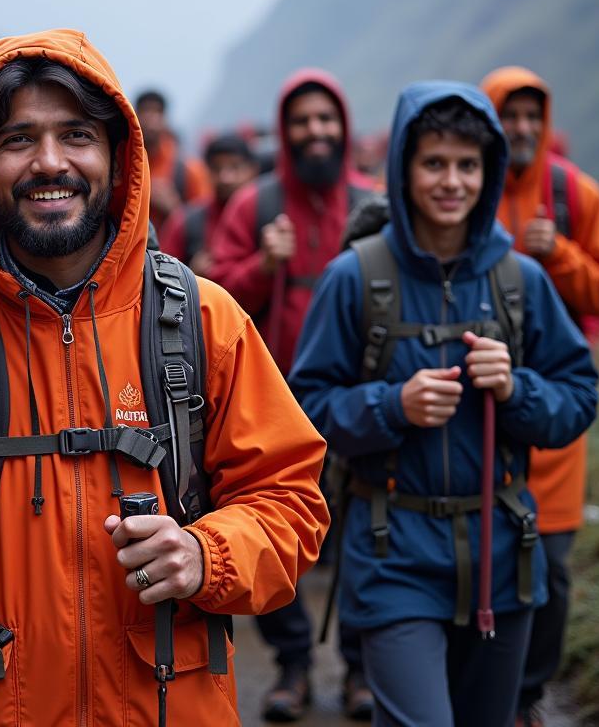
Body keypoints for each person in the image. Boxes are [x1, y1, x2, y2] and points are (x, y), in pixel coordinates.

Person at [0, 28, 330, 727]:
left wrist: (207, 552)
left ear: (116, 157)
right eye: (17, 140)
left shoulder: (202, 320)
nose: (49, 163)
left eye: (75, 135)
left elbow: (292, 502)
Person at [290, 82, 598, 727]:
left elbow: (577, 399)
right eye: (434, 163)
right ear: (403, 168)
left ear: (487, 173)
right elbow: (303, 413)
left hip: (503, 558)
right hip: (393, 551)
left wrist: (517, 389)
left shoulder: (521, 280)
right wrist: (390, 405)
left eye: (467, 164)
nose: (451, 181)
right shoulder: (356, 277)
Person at [209, 69, 376, 721]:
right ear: (285, 130)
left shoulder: (371, 202)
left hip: (360, 396)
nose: (316, 132)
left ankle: (363, 668)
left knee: (368, 533)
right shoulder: (254, 205)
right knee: (276, 534)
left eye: (326, 120)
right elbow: (214, 294)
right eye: (303, 121)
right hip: (272, 397)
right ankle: (294, 666)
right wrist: (265, 265)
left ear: (343, 126)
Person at [479, 67, 599, 727]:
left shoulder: (574, 193)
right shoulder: (466, 189)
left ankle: (528, 693)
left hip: (551, 408)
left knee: (551, 570)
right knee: (486, 557)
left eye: (534, 115)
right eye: (511, 115)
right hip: (478, 409)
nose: (523, 128)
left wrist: (557, 253)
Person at [159, 133, 259, 275]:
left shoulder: (265, 214)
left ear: (253, 170)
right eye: (217, 169)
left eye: (235, 167)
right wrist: (189, 276)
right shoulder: (185, 221)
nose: (225, 178)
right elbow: (162, 274)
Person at [135, 88, 210, 231]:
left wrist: (174, 209)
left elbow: (205, 223)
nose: (151, 120)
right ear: (135, 116)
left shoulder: (188, 169)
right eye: (145, 112)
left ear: (165, 119)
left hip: (172, 249)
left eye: (157, 112)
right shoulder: (121, 164)